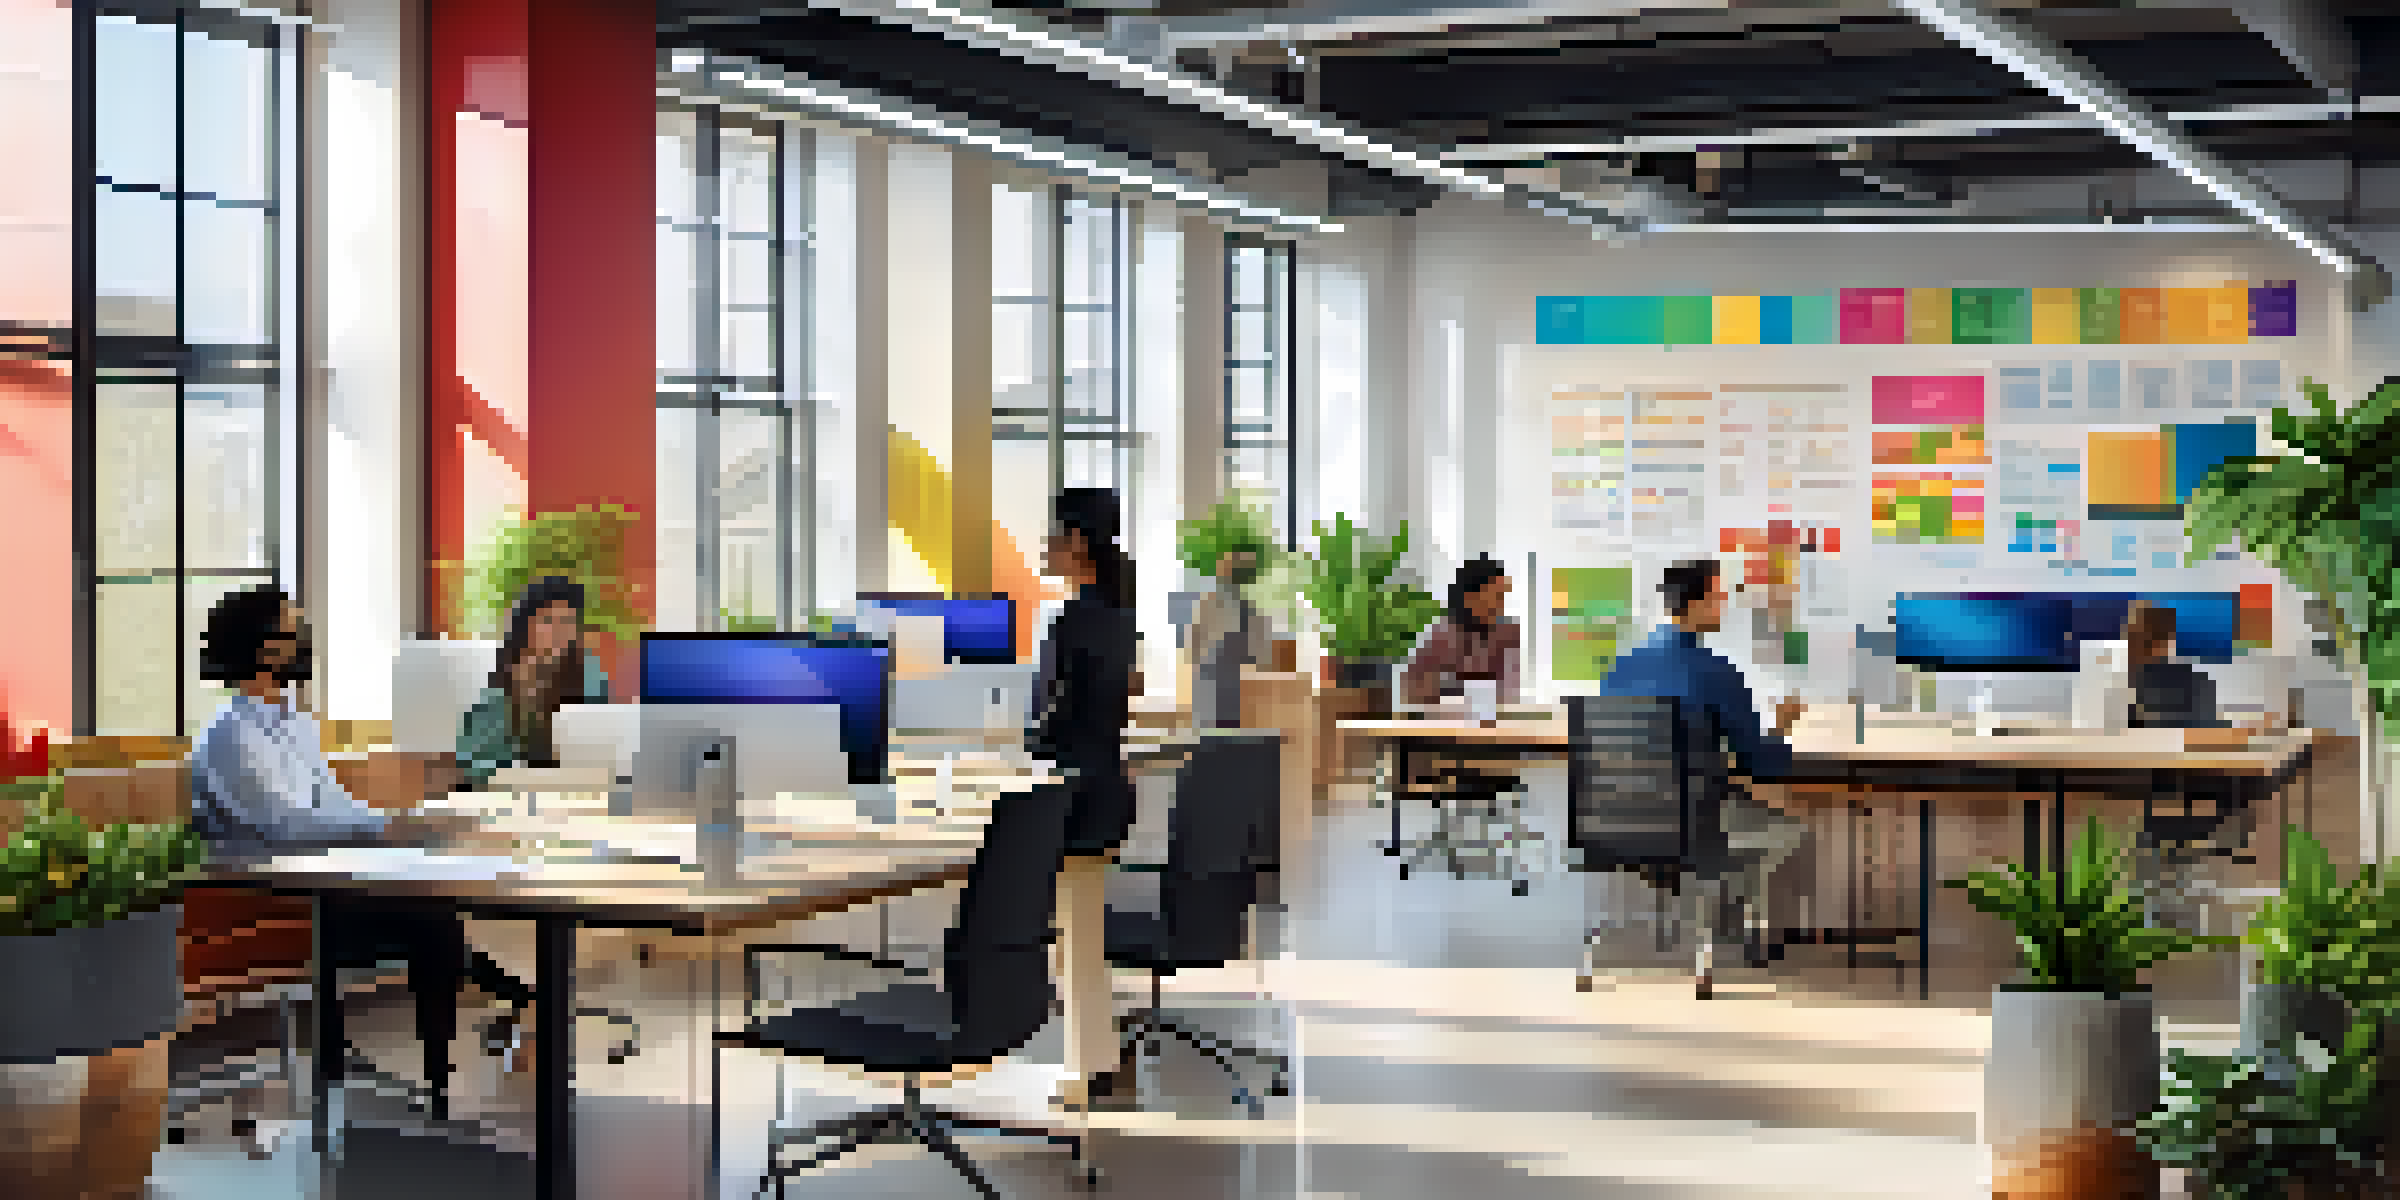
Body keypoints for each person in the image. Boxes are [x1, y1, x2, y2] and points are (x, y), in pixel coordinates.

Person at [189, 586, 532, 1124]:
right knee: (431, 919)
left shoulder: (296, 723)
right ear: (262, 648)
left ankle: (460, 1051)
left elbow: (331, 803)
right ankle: (486, 1020)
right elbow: (283, 830)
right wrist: (385, 831)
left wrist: (395, 827)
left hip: (323, 882)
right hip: (275, 904)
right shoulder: (231, 737)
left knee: (434, 906)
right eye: (292, 628)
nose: (303, 639)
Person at [1597, 560, 1812, 987]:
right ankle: (1732, 924)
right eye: (1718, 597)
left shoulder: (1620, 667)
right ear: (1695, 603)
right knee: (1787, 829)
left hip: (1615, 821)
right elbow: (1763, 763)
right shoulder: (1716, 671)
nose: (1724, 606)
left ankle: (1714, 912)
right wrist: (1782, 723)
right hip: (1694, 826)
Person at [1033, 489, 1141, 1112]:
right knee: (1082, 933)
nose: (1045, 547)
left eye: (1052, 535)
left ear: (1077, 542)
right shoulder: (1119, 617)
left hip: (1073, 792)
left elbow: (1049, 720)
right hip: (1106, 788)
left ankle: (1082, 1069)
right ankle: (1096, 1057)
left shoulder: (1070, 623)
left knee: (1072, 937)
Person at [455, 576, 612, 789]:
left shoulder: (589, 675)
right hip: (509, 793)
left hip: (573, 790)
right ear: (525, 625)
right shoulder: (497, 681)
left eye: (567, 622)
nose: (560, 632)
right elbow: (472, 764)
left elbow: (604, 742)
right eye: (549, 621)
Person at [1402, 556, 1522, 707]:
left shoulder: (1508, 634)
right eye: (1495, 596)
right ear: (1470, 598)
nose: (1500, 605)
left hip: (1494, 721)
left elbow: (1510, 694)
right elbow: (1412, 693)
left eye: (1502, 596)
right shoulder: (1442, 635)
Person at [1182, 547, 1265, 729]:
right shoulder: (1214, 604)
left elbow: (1257, 651)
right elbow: (1198, 645)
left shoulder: (1247, 609)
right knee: (1215, 728)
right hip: (1217, 679)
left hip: (1233, 682)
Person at [2123, 600, 2228, 730]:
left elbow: (2209, 732)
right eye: (2134, 638)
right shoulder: (2113, 683)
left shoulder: (2196, 684)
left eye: (2150, 639)